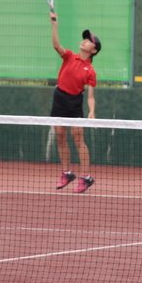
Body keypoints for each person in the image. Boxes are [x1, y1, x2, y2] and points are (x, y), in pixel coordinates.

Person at [49, 12, 101, 193]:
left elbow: (91, 95)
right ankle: (67, 172)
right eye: (85, 39)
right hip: (59, 98)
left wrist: (92, 112)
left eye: (89, 41)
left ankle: (86, 177)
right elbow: (56, 46)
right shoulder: (70, 56)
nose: (85, 41)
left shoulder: (90, 71)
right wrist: (54, 26)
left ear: (93, 50)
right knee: (60, 136)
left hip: (74, 103)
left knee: (78, 138)